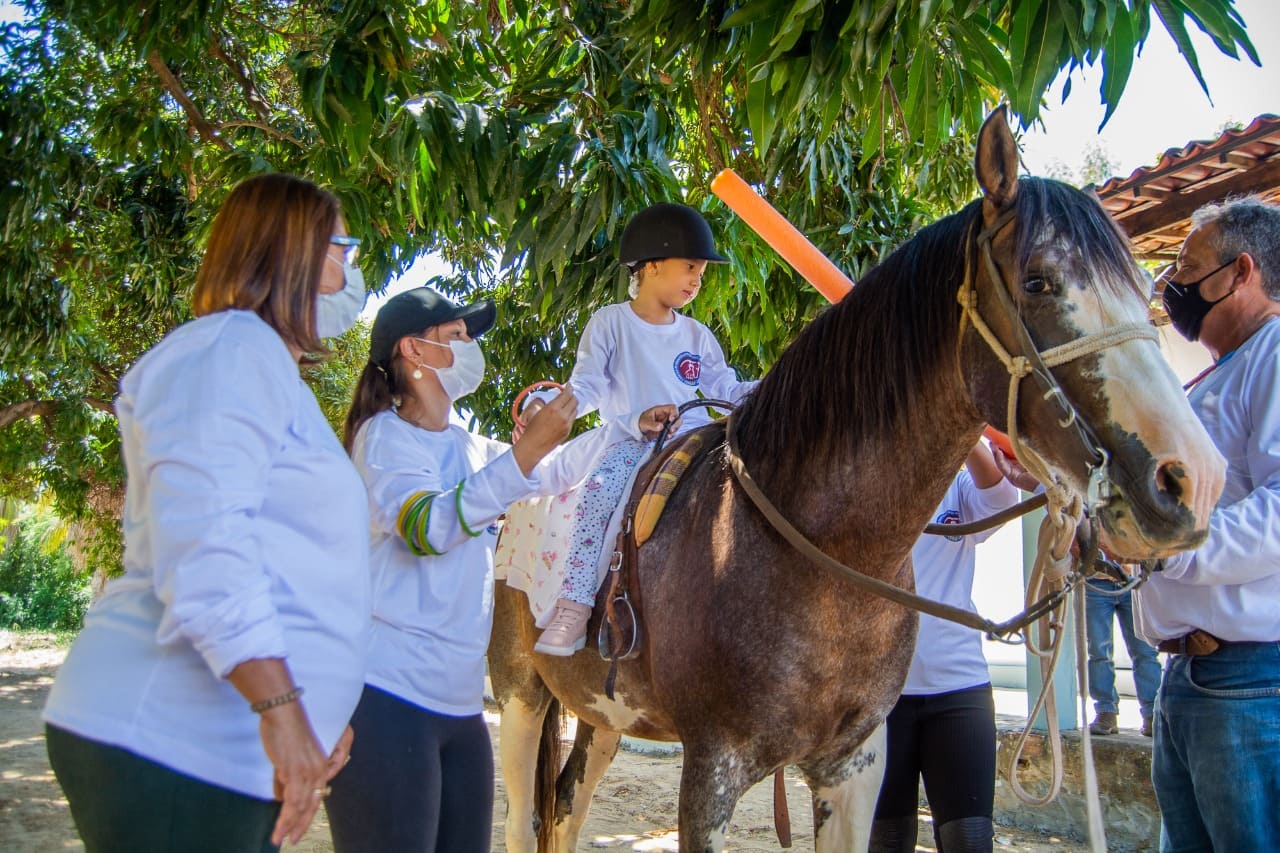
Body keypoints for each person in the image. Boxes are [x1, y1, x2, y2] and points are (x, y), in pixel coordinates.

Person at [42, 173, 371, 851]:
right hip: (175, 737)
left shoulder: (269, 368)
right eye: (344, 248)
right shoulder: (227, 351)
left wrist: (318, 706)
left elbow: (296, 560)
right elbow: (207, 546)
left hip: (225, 751)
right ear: (293, 253)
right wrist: (283, 709)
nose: (351, 270)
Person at [325, 287, 625, 853]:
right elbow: (427, 528)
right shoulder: (383, 439)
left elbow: (549, 475)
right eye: (458, 336)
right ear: (413, 351)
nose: (471, 347)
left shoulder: (467, 448)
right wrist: (522, 455)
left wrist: (623, 427)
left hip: (460, 711)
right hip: (389, 700)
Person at [520, 202, 758, 655]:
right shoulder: (611, 323)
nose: (697, 280)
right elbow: (586, 386)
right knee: (600, 495)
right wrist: (544, 406)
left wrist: (779, 382)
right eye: (690, 267)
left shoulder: (697, 335)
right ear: (650, 265)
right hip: (634, 443)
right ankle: (574, 606)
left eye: (701, 272)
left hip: (700, 439)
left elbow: (726, 389)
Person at [1133, 195, 1280, 851]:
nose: (1175, 287)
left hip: (1248, 686)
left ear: (1242, 271)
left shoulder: (1276, 356)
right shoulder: (1218, 379)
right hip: (1193, 683)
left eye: (1189, 268)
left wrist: (1168, 548)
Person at [869, 442, 1021, 853]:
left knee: (969, 842)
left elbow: (1002, 498)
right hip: (879, 697)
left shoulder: (957, 480)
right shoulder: (861, 476)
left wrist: (967, 429)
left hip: (960, 690)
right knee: (886, 842)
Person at [1083, 578, 1161, 737]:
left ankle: (1152, 713)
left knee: (1146, 651)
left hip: (1134, 581)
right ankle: (1106, 711)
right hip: (1095, 582)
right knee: (1098, 652)